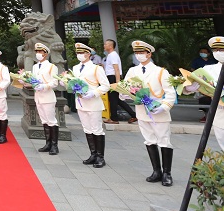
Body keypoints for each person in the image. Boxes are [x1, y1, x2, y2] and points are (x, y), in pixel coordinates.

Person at [123, 40, 177, 186]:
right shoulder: (132, 71)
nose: (139, 55)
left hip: (158, 111)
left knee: (164, 141)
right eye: (137, 53)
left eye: (142, 52)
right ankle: (156, 171)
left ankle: (167, 173)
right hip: (142, 112)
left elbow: (170, 93)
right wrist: (125, 94)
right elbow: (126, 88)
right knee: (149, 140)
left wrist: (164, 107)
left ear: (149, 54)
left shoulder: (161, 71)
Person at [70, 43, 110, 167]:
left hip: (93, 103)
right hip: (81, 103)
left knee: (96, 129)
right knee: (87, 129)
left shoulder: (96, 68)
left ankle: (100, 157)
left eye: (82, 53)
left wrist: (93, 93)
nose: (79, 55)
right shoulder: (75, 68)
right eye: (78, 53)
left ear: (88, 54)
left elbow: (105, 85)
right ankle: (93, 154)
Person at [25, 43, 60, 155]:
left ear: (45, 54)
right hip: (38, 97)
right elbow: (34, 80)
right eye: (37, 52)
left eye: (40, 52)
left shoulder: (52, 67)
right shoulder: (35, 67)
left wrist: (44, 86)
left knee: (51, 121)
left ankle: (54, 145)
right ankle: (48, 143)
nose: (38, 54)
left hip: (48, 97)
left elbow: (55, 82)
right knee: (44, 121)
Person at [200, 36, 224, 152]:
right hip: (220, 112)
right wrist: (190, 86)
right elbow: (192, 87)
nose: (218, 53)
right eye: (215, 50)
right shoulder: (208, 69)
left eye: (222, 50)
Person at [103, 39, 136, 124]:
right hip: (112, 77)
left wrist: (117, 82)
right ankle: (133, 115)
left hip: (113, 78)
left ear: (110, 46)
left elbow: (116, 69)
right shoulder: (111, 55)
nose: (104, 45)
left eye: (106, 44)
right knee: (117, 99)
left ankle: (114, 118)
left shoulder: (113, 55)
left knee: (113, 99)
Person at [191, 47, 218, 122]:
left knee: (213, 98)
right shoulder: (197, 60)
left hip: (212, 82)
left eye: (205, 52)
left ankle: (213, 116)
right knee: (203, 98)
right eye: (201, 52)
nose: (203, 53)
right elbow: (192, 69)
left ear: (208, 53)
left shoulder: (212, 61)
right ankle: (205, 115)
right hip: (200, 81)